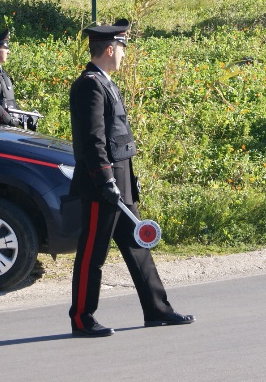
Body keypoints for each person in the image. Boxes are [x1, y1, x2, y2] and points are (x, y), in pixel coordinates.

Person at [68, 20, 193, 337]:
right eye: (122, 49)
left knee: (138, 247)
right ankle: (82, 318)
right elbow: (93, 140)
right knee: (92, 255)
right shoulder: (90, 85)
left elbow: (117, 137)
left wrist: (129, 180)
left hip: (119, 181)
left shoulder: (106, 82)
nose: (124, 55)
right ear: (110, 49)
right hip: (102, 185)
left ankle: (157, 309)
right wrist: (105, 180)